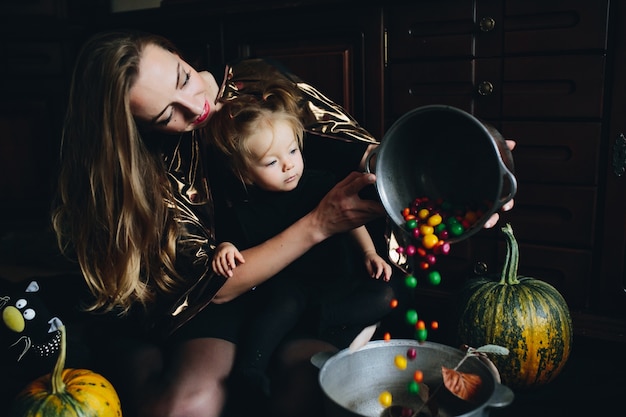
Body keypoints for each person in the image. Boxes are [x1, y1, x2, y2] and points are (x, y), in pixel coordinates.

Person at [50, 29, 514, 417]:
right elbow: (216, 286)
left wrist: (461, 177)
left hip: (300, 280)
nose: (194, 107)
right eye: (166, 114)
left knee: (309, 387)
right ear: (136, 128)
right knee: (187, 405)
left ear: (178, 54)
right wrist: (319, 222)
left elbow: (357, 150)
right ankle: (121, 346)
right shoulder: (145, 171)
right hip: (212, 290)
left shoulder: (255, 84)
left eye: (183, 78)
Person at [208, 83, 394, 403]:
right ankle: (249, 371)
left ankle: (307, 323)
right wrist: (224, 249)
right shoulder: (245, 209)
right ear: (245, 173)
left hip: (332, 283)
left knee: (384, 295)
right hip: (287, 287)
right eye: (271, 162)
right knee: (283, 304)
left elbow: (351, 221)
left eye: (293, 151)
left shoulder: (319, 182)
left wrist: (369, 252)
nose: (289, 165)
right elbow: (230, 243)